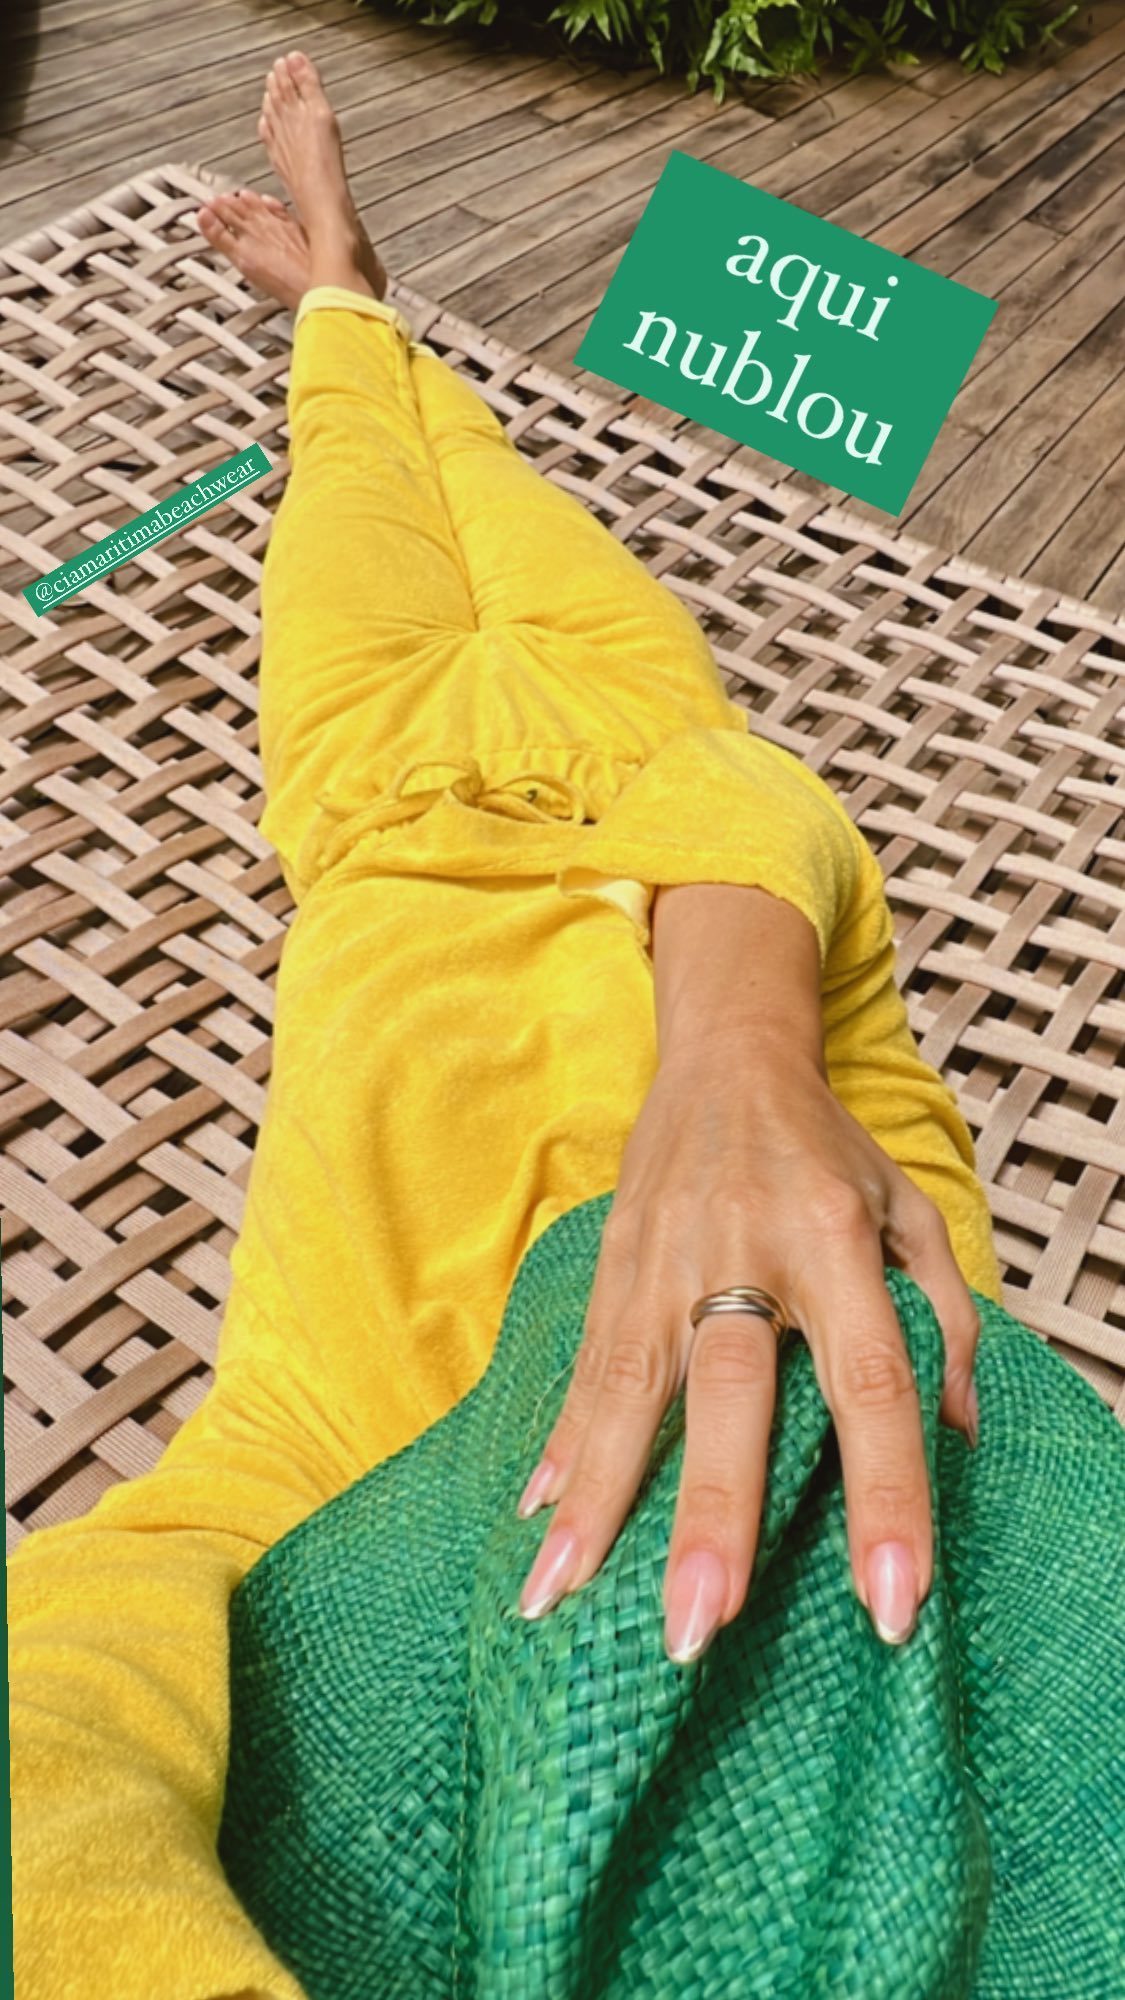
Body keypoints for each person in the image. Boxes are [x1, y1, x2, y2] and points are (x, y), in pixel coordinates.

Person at [8, 53, 1001, 2000]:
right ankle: (357, 288)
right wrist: (732, 1062)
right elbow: (756, 793)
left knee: (359, 475)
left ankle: (336, 304)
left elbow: (57, 1729)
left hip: (377, 796)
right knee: (491, 490)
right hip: (639, 731)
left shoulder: (314, 1479)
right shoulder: (883, 1364)